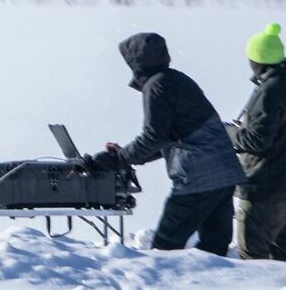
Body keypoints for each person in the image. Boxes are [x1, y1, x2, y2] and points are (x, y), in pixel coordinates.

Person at [81, 32, 246, 254]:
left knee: (166, 246)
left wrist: (118, 159)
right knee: (214, 248)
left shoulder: (156, 87)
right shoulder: (178, 80)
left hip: (198, 177)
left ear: (135, 61)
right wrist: (125, 156)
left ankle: (169, 287)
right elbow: (170, 136)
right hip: (225, 172)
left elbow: (154, 137)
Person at [228, 23, 286, 262]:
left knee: (252, 258)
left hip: (265, 185)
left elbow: (257, 140)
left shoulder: (271, 90)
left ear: (256, 60)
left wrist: (229, 133)